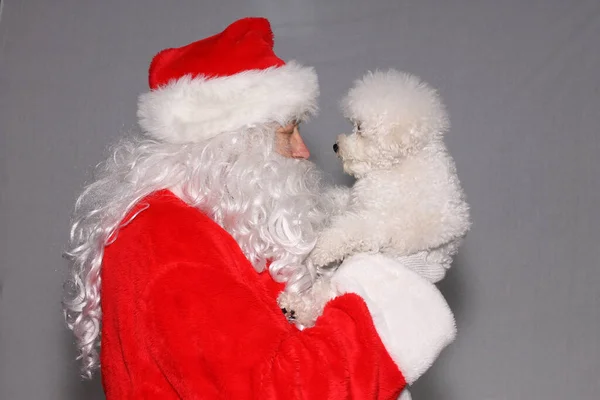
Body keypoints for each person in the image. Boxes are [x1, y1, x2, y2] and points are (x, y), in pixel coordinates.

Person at [64, 17, 455, 399]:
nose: (304, 151)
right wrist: (381, 295)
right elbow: (276, 390)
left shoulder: (224, 228)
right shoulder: (164, 238)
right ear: (229, 144)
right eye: (288, 133)